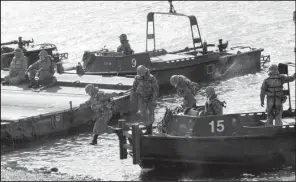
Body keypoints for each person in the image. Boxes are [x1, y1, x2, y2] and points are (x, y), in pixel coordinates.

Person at [131, 65, 159, 135]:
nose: (141, 75)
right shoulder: (137, 78)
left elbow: (156, 90)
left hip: (150, 98)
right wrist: (132, 96)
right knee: (143, 113)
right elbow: (133, 88)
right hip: (141, 97)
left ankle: (150, 129)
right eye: (139, 73)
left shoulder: (151, 78)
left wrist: (153, 100)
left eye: (142, 73)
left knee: (150, 113)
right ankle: (147, 127)